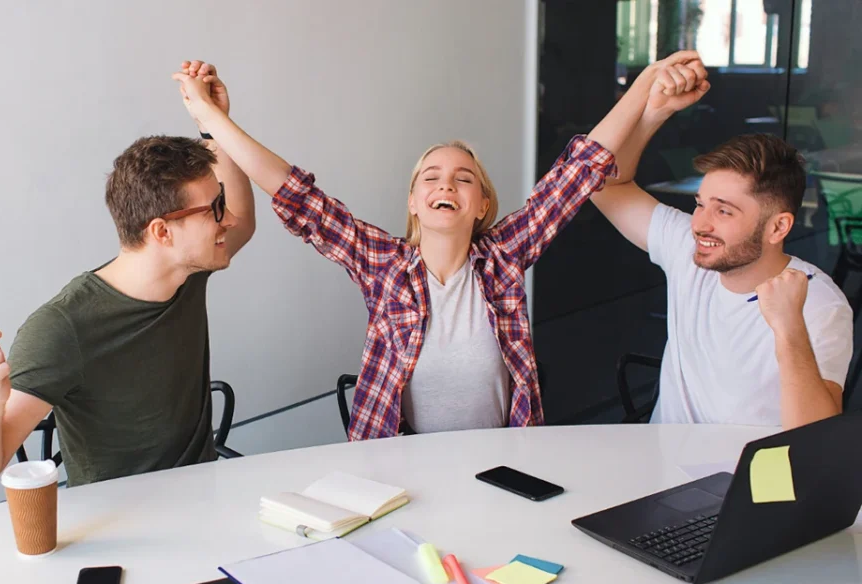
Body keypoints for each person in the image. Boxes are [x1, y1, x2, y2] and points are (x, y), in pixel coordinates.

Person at [171, 55, 697, 440]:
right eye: (432, 177)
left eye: (464, 179)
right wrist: (213, 121)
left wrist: (644, 85)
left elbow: (577, 172)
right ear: (415, 202)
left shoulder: (505, 257)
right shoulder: (382, 264)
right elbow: (294, 195)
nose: (446, 185)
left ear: (482, 204)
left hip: (502, 463)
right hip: (400, 467)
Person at [0, 67, 255, 490]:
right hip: (123, 527)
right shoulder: (63, 328)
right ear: (162, 232)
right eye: (214, 211)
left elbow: (244, 221)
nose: (230, 219)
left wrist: (212, 125)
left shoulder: (187, 271)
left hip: (203, 500)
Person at [590, 57, 853, 429]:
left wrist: (789, 325)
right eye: (700, 205)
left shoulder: (819, 303)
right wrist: (653, 113)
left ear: (778, 228)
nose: (701, 225)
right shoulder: (690, 250)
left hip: (746, 481)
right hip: (660, 468)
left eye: (724, 212)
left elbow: (815, 439)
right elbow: (600, 184)